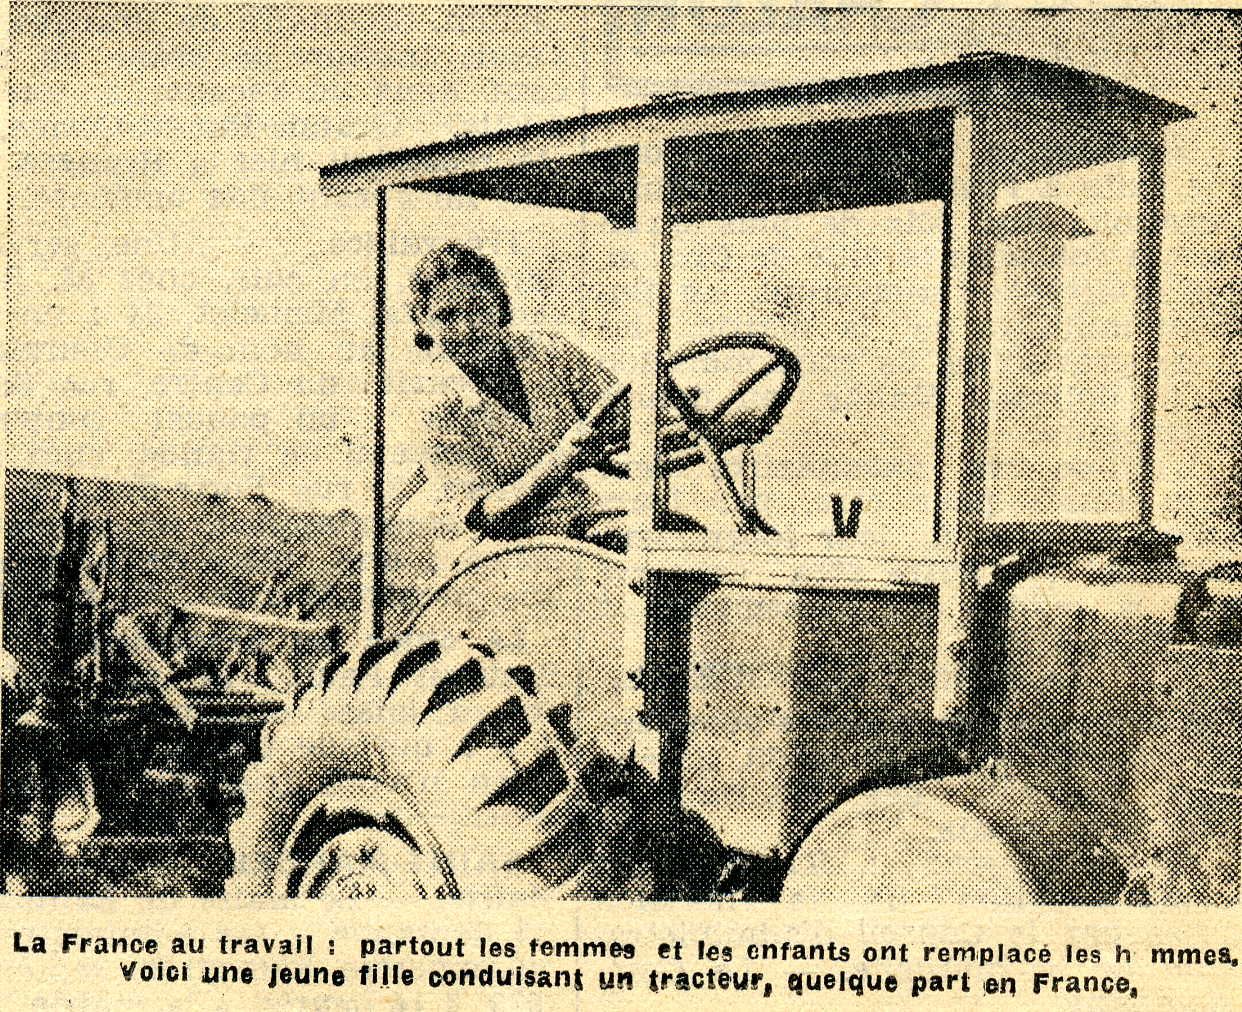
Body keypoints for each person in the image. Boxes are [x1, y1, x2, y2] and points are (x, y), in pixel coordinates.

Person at [404, 243, 628, 575]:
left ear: (499, 304)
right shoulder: (435, 405)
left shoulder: (550, 352)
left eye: (477, 307)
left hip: (574, 526)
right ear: (424, 326)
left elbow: (631, 416)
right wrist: (563, 460)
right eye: (447, 316)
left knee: (675, 537)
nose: (467, 328)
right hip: (490, 559)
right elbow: (489, 517)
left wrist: (688, 415)